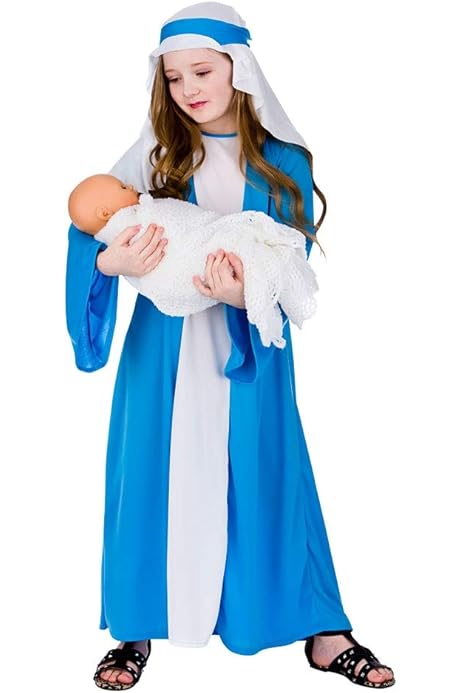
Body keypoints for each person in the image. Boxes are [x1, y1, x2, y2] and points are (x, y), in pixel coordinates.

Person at [65, 2, 395, 690]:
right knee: (148, 475)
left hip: (249, 346)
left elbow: (295, 264)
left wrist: (248, 292)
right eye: (174, 77)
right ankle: (134, 627)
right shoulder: (156, 157)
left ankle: (323, 629)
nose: (189, 88)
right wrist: (108, 264)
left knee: (270, 472)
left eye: (203, 71)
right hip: (163, 349)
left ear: (238, 69)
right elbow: (91, 230)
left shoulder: (283, 162)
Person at [67, 173, 319, 348]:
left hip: (237, 337)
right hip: (161, 340)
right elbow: (86, 224)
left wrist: (247, 294)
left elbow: (296, 251)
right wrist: (106, 262)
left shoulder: (283, 156)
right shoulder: (152, 149)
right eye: (124, 187)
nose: (130, 186)